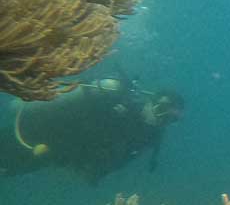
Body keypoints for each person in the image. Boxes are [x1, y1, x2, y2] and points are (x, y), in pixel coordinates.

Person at [0, 76, 185, 183]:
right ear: (150, 102)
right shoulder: (118, 101)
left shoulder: (148, 138)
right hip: (35, 131)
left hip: (50, 156)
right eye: (161, 110)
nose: (162, 120)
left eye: (171, 119)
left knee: (8, 171)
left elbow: (104, 166)